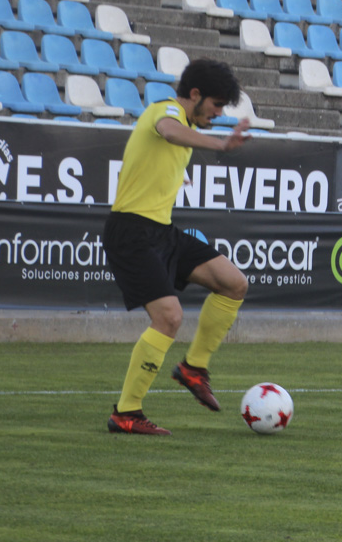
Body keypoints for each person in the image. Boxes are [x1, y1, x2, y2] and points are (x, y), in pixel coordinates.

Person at [104, 59, 252, 435]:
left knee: (233, 283)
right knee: (168, 317)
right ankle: (126, 413)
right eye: (216, 106)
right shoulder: (166, 110)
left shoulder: (186, 125)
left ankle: (193, 367)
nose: (218, 114)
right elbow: (168, 130)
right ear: (195, 95)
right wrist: (221, 144)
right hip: (131, 232)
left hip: (161, 231)